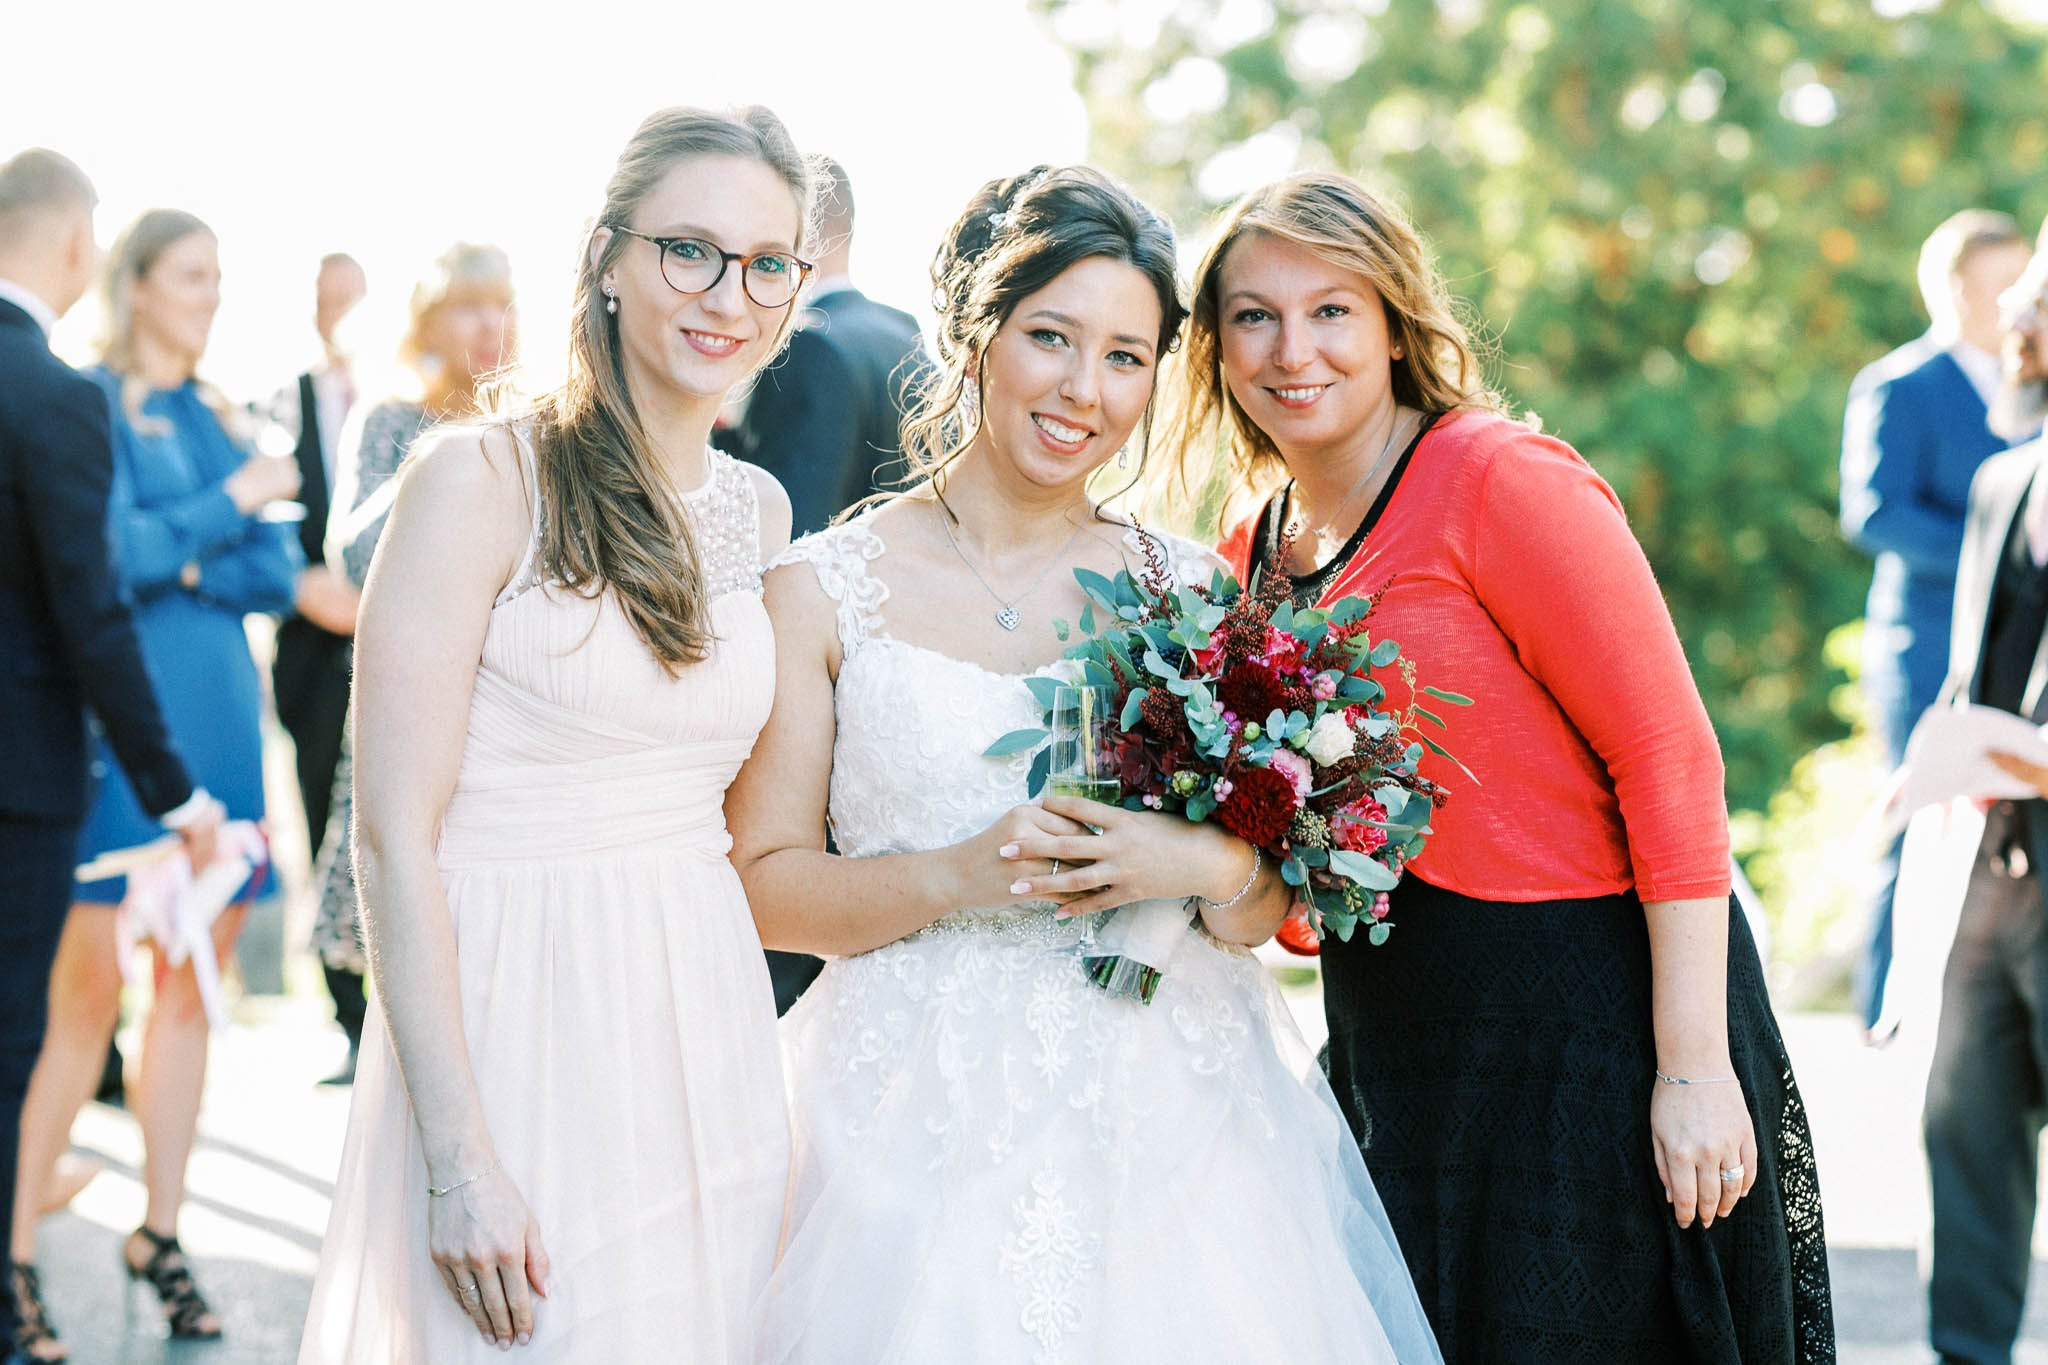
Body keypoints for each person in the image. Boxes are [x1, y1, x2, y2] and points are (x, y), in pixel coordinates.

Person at [730, 165, 1441, 1364]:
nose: (1082, 390)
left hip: (1176, 1120)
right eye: (1048, 338)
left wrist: (1204, 861)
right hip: (908, 1116)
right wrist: (963, 874)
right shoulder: (818, 590)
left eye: (1125, 356)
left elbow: (1263, 904)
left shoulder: (1194, 591)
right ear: (974, 335)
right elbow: (766, 886)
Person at [1175, 171, 1833, 1363]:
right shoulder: (1247, 547)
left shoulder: (1495, 478)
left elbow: (1670, 761)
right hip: (1401, 1027)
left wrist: (1688, 1072)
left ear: (1390, 323)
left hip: (1589, 1013)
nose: (1292, 348)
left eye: (1331, 310)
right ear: (1213, 344)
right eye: (1252, 314)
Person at [296, 105, 803, 1362]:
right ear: (607, 258)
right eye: (688, 249)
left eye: (765, 263)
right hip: (512, 1012)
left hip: (702, 1019)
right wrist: (459, 1156)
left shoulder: (761, 510)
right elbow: (390, 834)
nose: (725, 294)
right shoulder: (476, 479)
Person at [10, 206, 301, 1356]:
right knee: (82, 1000)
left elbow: (277, 570)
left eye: (220, 276)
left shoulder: (216, 412)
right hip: (126, 750)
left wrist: (185, 542)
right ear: (135, 284)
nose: (212, 295)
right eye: (193, 275)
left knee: (193, 992)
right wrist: (217, 516)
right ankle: (16, 1253)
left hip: (226, 730)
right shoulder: (86, 402)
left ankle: (162, 1231)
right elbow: (108, 560)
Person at [0, 149, 222, 1365]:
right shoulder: (58, 393)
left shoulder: (157, 405)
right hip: (32, 784)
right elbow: (95, 605)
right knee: (17, 1042)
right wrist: (171, 790)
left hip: (70, 771)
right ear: (86, 251)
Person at [714, 156, 930, 1015]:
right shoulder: (906, 334)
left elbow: (784, 533)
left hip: (817, 683)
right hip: (908, 687)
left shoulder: (806, 349)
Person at [308, 242, 516, 1086]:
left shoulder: (541, 427)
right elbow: (353, 554)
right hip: (414, 699)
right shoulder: (394, 420)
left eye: (501, 304)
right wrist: (446, 447)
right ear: (428, 323)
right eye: (467, 306)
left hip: (504, 711)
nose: (489, 325)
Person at [1840, 210, 2031, 1033]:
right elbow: (1874, 513)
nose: (2023, 302)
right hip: (1927, 645)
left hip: (2024, 654)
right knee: (1915, 818)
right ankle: (1887, 1013)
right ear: (1956, 288)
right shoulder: (1899, 384)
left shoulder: (2034, 383)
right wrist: (2002, 545)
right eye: (2006, 284)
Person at [1914, 227, 2048, 1365]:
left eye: (2035, 304)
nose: (2011, 325)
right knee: (1960, 1147)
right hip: (1984, 876)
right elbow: (1972, 675)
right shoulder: (2001, 477)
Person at [266, 251, 371, 1082]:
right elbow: (261, 520)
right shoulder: (285, 400)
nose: (340, 315)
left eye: (354, 300)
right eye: (328, 301)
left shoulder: (413, 400)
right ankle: (350, 1017)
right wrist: (299, 584)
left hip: (396, 642)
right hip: (311, 654)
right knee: (317, 815)